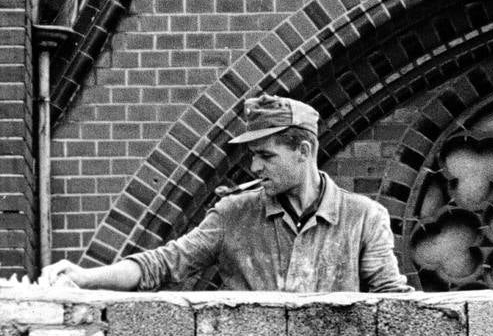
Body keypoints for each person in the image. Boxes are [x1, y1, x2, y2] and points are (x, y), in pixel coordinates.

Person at [39, 95, 412, 293]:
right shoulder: (233, 214)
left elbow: (391, 304)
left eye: (266, 156)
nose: (255, 168)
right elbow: (162, 264)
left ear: (304, 151)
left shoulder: (364, 218)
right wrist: (85, 277)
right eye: (253, 157)